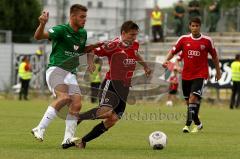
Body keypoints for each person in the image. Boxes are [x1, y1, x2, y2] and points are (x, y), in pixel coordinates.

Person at [71, 21, 151, 149]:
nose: (134, 38)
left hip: (124, 88)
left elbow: (136, 54)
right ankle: (79, 117)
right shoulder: (112, 45)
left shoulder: (135, 44)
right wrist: (91, 63)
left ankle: (83, 141)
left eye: (135, 35)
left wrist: (145, 66)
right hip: (111, 84)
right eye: (131, 35)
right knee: (106, 112)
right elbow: (92, 50)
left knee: (112, 119)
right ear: (123, 33)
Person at [31, 4, 100, 149]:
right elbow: (38, 36)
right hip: (56, 70)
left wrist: (90, 58)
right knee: (64, 97)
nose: (84, 20)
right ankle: (40, 128)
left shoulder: (82, 33)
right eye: (82, 17)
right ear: (73, 16)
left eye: (85, 17)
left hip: (70, 73)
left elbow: (83, 50)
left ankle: (67, 139)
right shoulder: (61, 30)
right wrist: (42, 24)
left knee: (76, 104)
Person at [163, 17, 221, 133]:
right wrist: (166, 60)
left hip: (200, 74)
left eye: (197, 26)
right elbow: (173, 51)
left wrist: (218, 71)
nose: (195, 28)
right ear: (190, 27)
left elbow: (214, 57)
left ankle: (187, 125)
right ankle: (198, 123)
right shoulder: (183, 39)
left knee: (193, 98)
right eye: (193, 26)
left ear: (200, 27)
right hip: (186, 75)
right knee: (189, 103)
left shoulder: (207, 40)